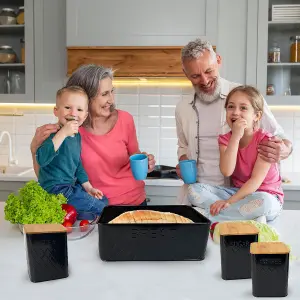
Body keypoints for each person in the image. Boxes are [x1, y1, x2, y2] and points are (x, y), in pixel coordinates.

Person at [175, 38, 292, 206]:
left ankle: (225, 212)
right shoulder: (182, 108)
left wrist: (284, 148)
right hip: (201, 194)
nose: (205, 80)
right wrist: (183, 160)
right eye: (195, 76)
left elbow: (279, 135)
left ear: (219, 61)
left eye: (209, 71)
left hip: (236, 193)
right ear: (185, 73)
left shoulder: (242, 97)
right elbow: (183, 146)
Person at [31, 65, 156, 206]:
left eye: (111, 92)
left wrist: (147, 164)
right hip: (92, 209)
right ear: (85, 98)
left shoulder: (125, 119)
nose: (111, 100)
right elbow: (49, 179)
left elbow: (136, 160)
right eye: (104, 94)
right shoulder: (68, 132)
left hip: (135, 203)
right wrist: (34, 149)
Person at [188, 85, 283, 223]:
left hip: (266, 196)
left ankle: (206, 216)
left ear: (256, 116)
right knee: (194, 190)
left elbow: (255, 181)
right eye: (231, 107)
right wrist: (236, 137)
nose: (235, 112)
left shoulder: (265, 140)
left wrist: (229, 202)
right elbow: (227, 171)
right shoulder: (225, 139)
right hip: (238, 194)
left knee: (264, 202)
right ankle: (246, 217)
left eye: (243, 108)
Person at [36, 86, 108, 214]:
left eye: (79, 109)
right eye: (68, 107)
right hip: (55, 189)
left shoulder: (77, 136)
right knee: (101, 208)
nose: (73, 113)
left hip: (70, 186)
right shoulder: (53, 134)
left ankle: (69, 216)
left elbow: (78, 165)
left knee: (103, 201)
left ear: (85, 116)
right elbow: (41, 159)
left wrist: (89, 188)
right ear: (56, 111)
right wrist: (63, 133)